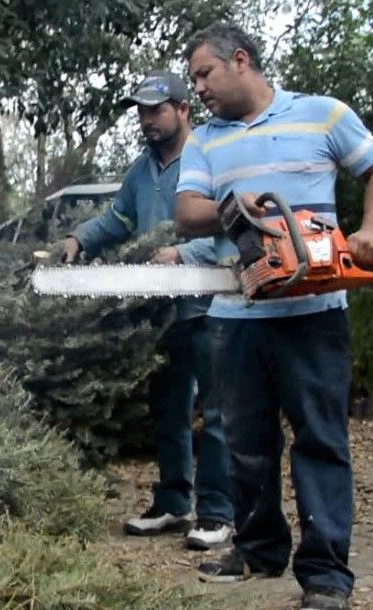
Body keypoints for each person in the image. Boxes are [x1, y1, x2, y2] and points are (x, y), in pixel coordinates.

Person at [176, 23, 373, 610]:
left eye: (204, 74)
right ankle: (258, 548)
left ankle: (326, 574)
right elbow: (187, 211)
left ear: (239, 60)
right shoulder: (206, 141)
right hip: (236, 313)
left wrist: (370, 232)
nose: (198, 89)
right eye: (194, 79)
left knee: (320, 439)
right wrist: (236, 208)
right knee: (245, 442)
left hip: (314, 310)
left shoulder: (323, 115)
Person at [61, 71, 234, 550]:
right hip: (161, 309)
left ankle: (218, 512)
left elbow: (231, 227)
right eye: (140, 111)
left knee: (216, 411)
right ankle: (174, 503)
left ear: (183, 110)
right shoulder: (141, 171)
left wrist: (184, 254)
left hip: (211, 302)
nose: (146, 120)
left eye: (156, 110)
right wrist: (79, 238)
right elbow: (118, 219)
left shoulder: (210, 160)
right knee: (167, 408)